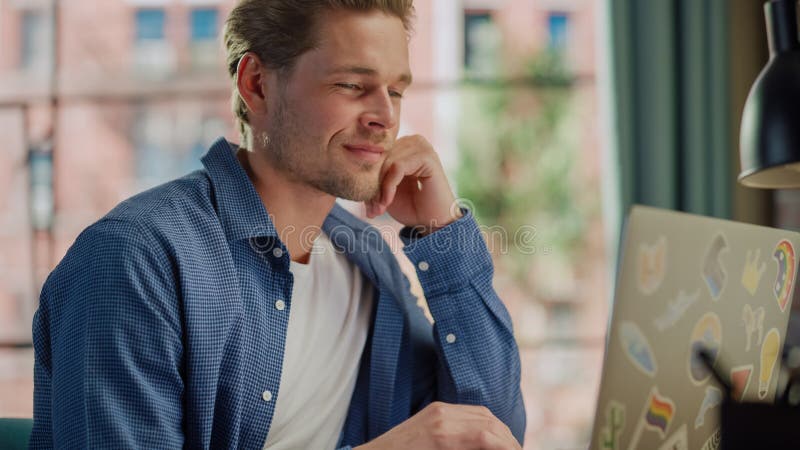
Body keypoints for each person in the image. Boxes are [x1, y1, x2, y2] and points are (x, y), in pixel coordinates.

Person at [29, 0, 526, 448]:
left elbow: (490, 431)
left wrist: (441, 232)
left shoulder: (366, 260)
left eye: (395, 91)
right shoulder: (134, 259)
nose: (385, 117)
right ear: (257, 84)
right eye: (352, 85)